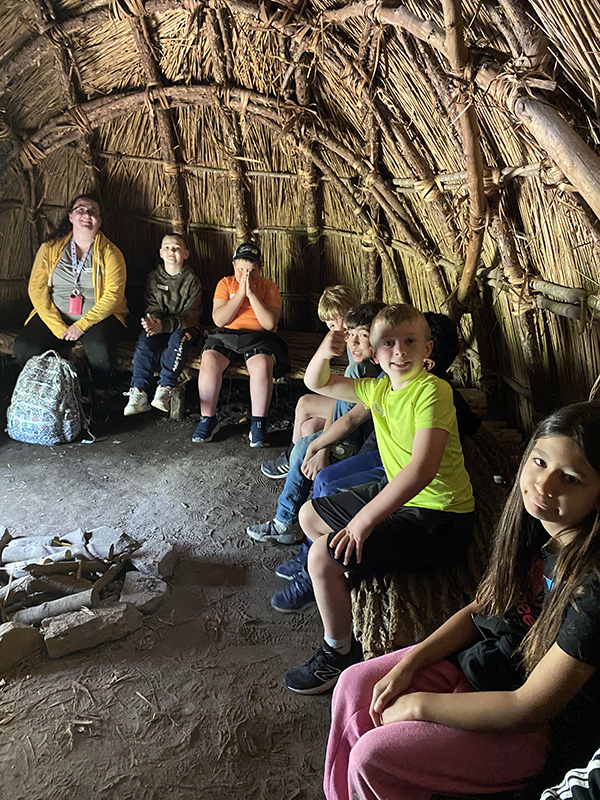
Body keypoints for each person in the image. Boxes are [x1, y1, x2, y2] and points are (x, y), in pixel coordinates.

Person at [324, 400, 600, 800]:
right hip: (488, 668)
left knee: (376, 756)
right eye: (539, 462)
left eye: (571, 479)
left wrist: (420, 705)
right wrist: (409, 663)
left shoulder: (591, 588)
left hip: (535, 733)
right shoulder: (536, 530)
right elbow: (480, 610)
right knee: (354, 684)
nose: (544, 485)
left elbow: (529, 708)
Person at [283, 304, 474, 694]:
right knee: (309, 515)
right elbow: (316, 379)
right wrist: (328, 345)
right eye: (388, 343)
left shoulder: (433, 392)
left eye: (409, 342)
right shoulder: (379, 390)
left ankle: (338, 652)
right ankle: (346, 571)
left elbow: (421, 472)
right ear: (374, 350)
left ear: (428, 349)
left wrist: (363, 521)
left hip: (439, 519)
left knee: (321, 554)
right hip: (404, 503)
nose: (399, 351)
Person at [246, 301, 385, 611]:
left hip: (363, 450)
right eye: (350, 334)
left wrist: (321, 447)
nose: (353, 341)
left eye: (361, 336)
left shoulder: (369, 369)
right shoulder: (364, 362)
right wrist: (318, 444)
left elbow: (352, 422)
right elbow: (338, 406)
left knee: (315, 465)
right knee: (304, 445)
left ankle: (292, 533)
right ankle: (296, 536)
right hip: (357, 442)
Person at [13, 193, 128, 423]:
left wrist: (81, 325)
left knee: (100, 351)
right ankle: (43, 397)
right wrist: (57, 326)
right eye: (81, 210)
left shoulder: (111, 253)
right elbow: (36, 289)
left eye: (93, 211)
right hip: (57, 314)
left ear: (99, 221)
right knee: (25, 346)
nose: (87, 215)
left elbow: (113, 296)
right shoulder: (51, 248)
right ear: (71, 217)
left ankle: (99, 394)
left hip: (97, 316)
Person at [191, 242, 289, 447]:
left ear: (260, 269)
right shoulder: (225, 284)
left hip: (259, 337)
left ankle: (258, 424)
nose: (246, 275)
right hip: (226, 334)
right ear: (234, 266)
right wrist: (240, 296)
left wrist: (252, 294)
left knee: (262, 365)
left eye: (252, 271)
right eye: (241, 270)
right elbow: (219, 320)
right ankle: (207, 419)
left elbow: (269, 323)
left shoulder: (269, 287)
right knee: (209, 359)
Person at [261, 285, 360, 479]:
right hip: (351, 398)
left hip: (362, 404)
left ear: (355, 311)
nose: (339, 327)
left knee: (305, 403)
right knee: (308, 427)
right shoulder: (345, 340)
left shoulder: (362, 341)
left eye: (344, 318)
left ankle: (291, 460)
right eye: (332, 325)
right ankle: (304, 472)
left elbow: (351, 392)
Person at [123, 233, 202, 417]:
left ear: (186, 254)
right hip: (159, 326)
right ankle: (139, 391)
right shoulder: (153, 278)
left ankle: (165, 387)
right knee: (144, 341)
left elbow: (191, 315)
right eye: (166, 247)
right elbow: (152, 306)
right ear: (160, 252)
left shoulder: (192, 281)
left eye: (176, 248)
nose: (171, 251)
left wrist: (164, 325)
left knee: (178, 339)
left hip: (184, 328)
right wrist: (153, 323)